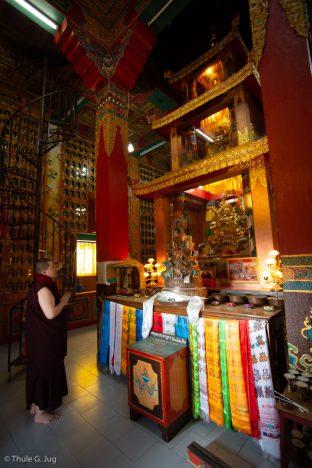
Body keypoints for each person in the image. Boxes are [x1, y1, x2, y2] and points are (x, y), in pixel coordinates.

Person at [25, 258, 71, 424]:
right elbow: (50, 314)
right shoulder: (43, 288)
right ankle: (41, 413)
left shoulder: (39, 283)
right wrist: (64, 302)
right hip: (44, 339)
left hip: (39, 336)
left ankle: (35, 405)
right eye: (53, 267)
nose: (56, 268)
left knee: (38, 369)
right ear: (44, 271)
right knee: (45, 370)